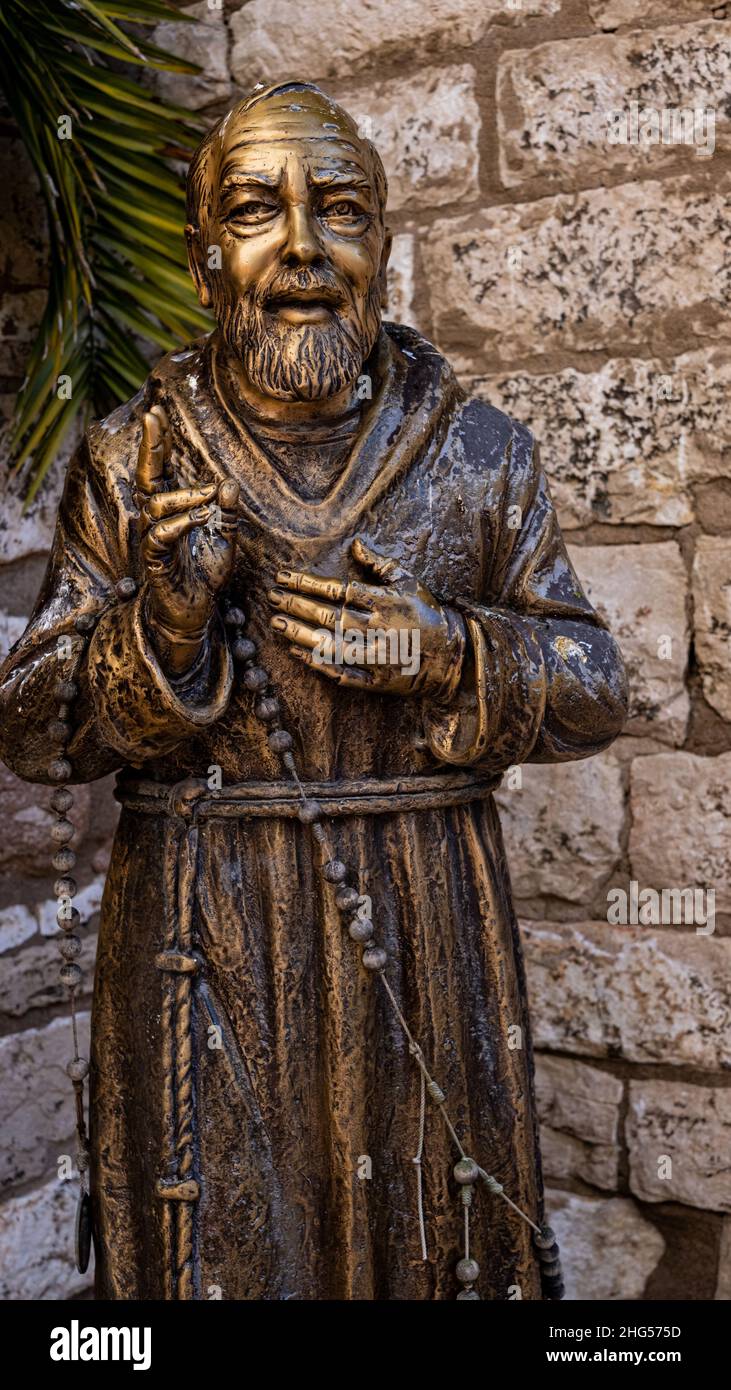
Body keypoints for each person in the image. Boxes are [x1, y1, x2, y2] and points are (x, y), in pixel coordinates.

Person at [0, 81, 628, 1300]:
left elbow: (593, 682)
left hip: (425, 914)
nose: (300, 246)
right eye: (254, 210)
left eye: (337, 209)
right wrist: (164, 622)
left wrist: (450, 649)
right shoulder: (135, 457)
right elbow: (31, 723)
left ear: (380, 246)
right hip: (202, 926)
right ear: (201, 259)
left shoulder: (476, 450)